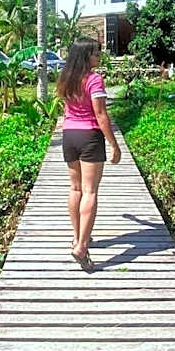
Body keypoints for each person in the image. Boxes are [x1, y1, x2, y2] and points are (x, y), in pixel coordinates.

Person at [56, 38, 121, 272]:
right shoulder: (94, 79)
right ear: (86, 56)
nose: (99, 57)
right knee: (90, 191)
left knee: (75, 189)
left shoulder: (66, 78)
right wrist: (114, 144)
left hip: (69, 135)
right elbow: (101, 114)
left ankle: (77, 237)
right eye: (96, 53)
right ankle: (82, 247)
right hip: (89, 136)